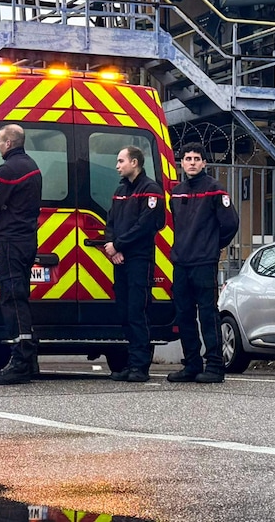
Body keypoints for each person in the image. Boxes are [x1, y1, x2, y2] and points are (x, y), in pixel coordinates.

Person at [166, 143, 238, 384]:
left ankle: (215, 366)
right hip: (181, 263)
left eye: (197, 158)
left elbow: (230, 224)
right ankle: (192, 364)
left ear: (205, 163)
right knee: (184, 315)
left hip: (204, 263)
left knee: (208, 314)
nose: (192, 162)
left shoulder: (215, 190)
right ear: (182, 162)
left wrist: (213, 245)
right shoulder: (177, 192)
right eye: (188, 158)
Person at [0, 124, 43, 385]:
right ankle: (30, 359)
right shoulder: (33, 166)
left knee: (13, 298)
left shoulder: (7, 170)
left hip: (11, 241)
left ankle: (21, 360)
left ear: (9, 143)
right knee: (21, 296)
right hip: (27, 239)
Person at [104, 145, 166, 383]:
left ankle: (140, 366)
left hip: (139, 259)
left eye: (121, 161)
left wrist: (119, 245)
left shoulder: (151, 190)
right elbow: (111, 221)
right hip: (120, 259)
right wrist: (112, 246)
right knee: (125, 312)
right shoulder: (120, 191)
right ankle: (130, 364)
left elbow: (146, 225)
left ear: (135, 163)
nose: (118, 165)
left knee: (137, 312)